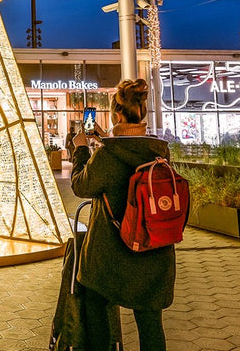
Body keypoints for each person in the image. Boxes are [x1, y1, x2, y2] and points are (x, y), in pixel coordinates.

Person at [71, 78, 175, 351]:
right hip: (154, 251)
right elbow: (130, 150)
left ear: (118, 113)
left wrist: (81, 149)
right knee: (151, 322)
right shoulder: (159, 151)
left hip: (113, 254)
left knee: (95, 303)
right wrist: (106, 139)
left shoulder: (107, 156)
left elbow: (81, 186)